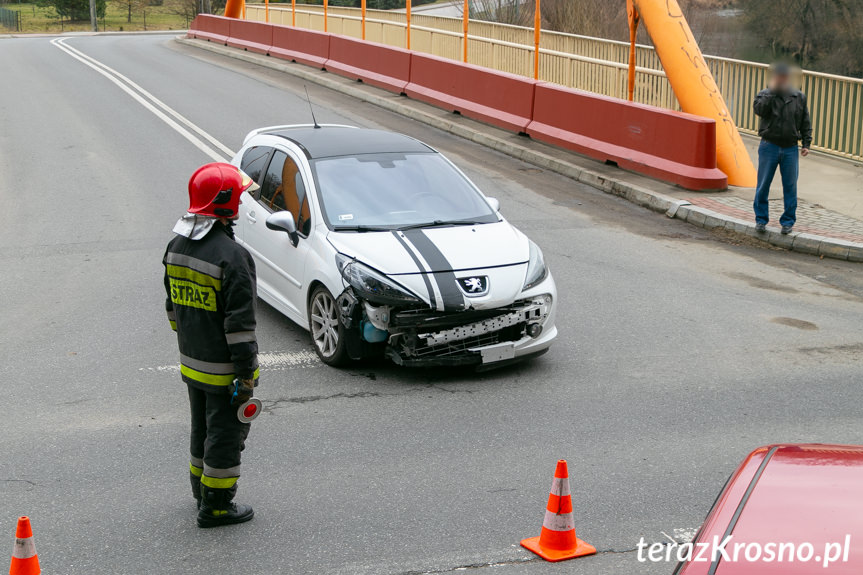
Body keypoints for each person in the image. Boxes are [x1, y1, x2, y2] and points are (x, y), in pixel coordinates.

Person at [163, 163, 261, 528]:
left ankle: (199, 490)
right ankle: (217, 505)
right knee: (225, 435)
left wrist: (192, 340)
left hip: (192, 362)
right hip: (224, 371)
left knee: (201, 428)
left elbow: (173, 309)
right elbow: (240, 327)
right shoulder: (233, 257)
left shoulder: (176, 245)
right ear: (228, 205)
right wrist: (246, 375)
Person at [752, 62, 812, 235]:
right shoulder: (764, 94)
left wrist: (806, 143)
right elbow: (759, 110)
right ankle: (761, 220)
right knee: (763, 185)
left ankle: (787, 222)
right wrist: (771, 92)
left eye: (784, 77)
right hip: (769, 145)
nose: (781, 79)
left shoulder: (798, 96)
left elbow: (805, 120)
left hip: (790, 149)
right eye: (779, 77)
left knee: (790, 186)